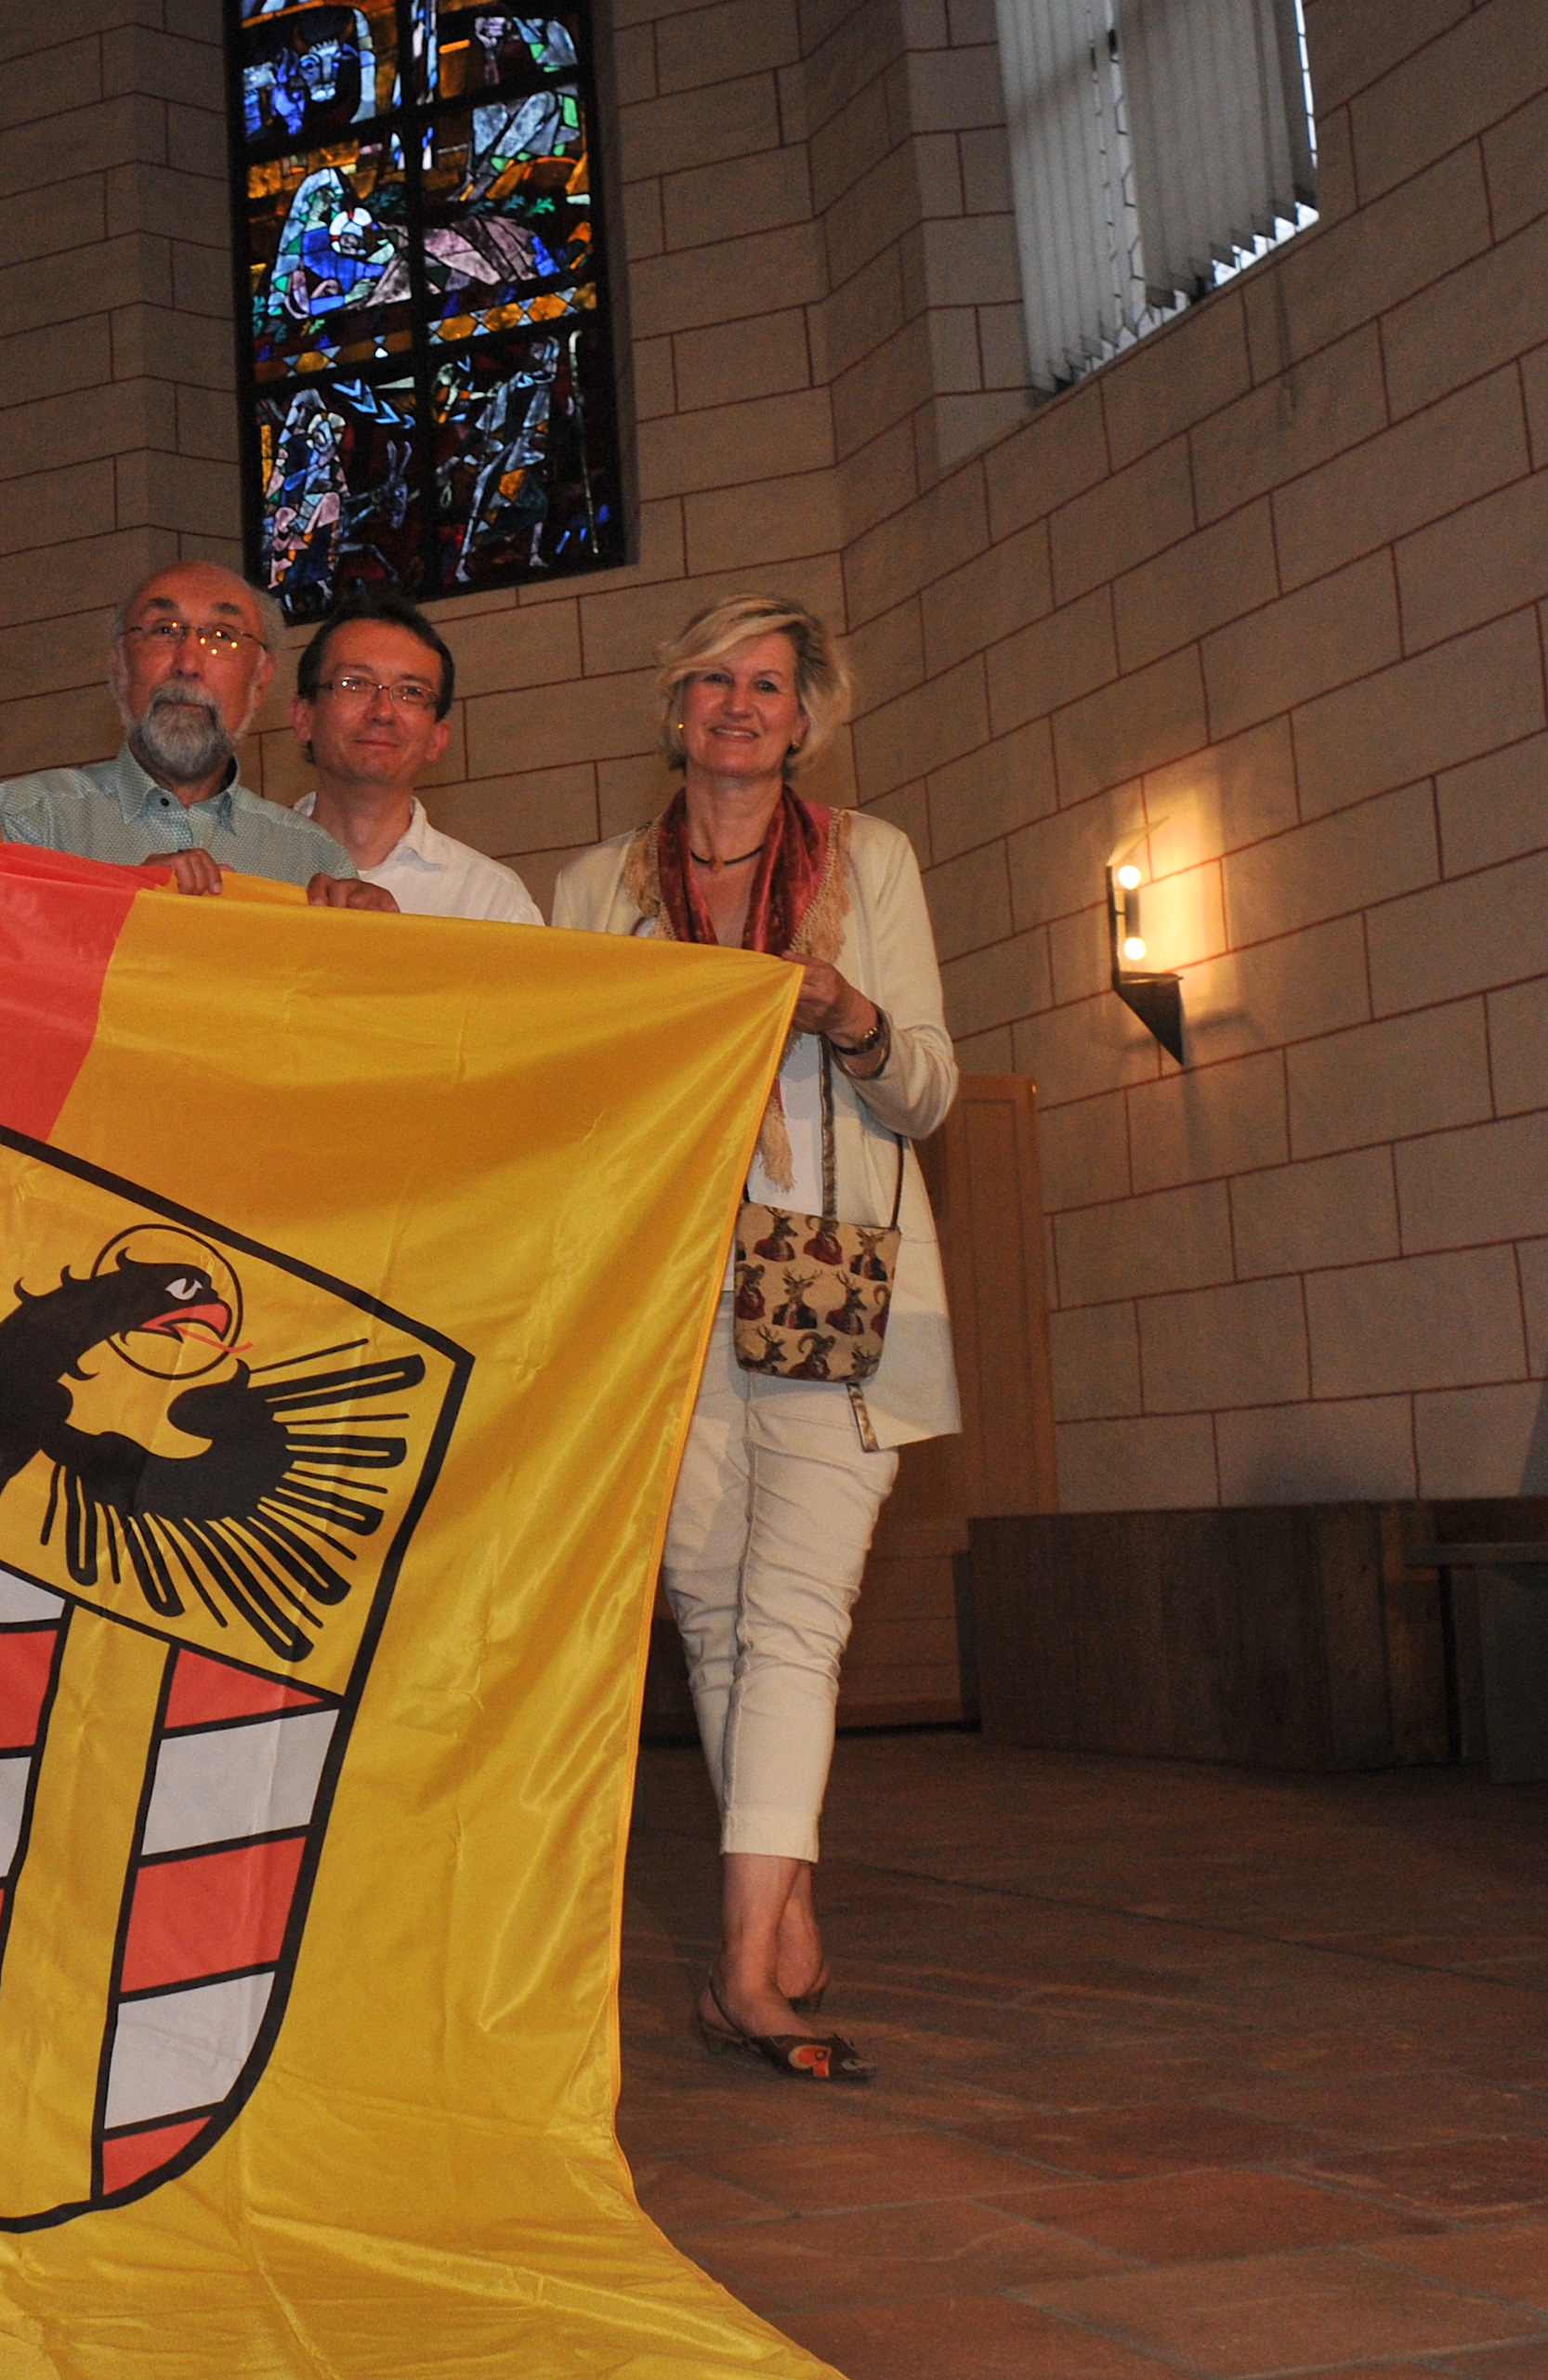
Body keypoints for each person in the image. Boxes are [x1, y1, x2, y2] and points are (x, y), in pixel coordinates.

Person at [550, 593, 958, 2086]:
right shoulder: (595, 882)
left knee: (793, 1613)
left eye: (765, 684)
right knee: (713, 1617)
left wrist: (842, 1009)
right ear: (673, 710)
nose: (734, 704)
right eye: (709, 679)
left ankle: (740, 1974)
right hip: (659, 1289)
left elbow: (923, 1089)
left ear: (804, 717)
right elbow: (571, 1098)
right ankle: (773, 1900)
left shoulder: (869, 860)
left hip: (834, 1274)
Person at [0, 561, 393, 909]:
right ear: (120, 666)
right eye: (164, 630)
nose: (188, 663)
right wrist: (124, 904)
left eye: (222, 636)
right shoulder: (27, 822)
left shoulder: (310, 862)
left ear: (261, 678)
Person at [285, 591, 540, 924]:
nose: (383, 712)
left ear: (437, 738)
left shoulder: (489, 900)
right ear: (304, 717)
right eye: (355, 683)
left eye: (411, 692)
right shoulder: (242, 869)